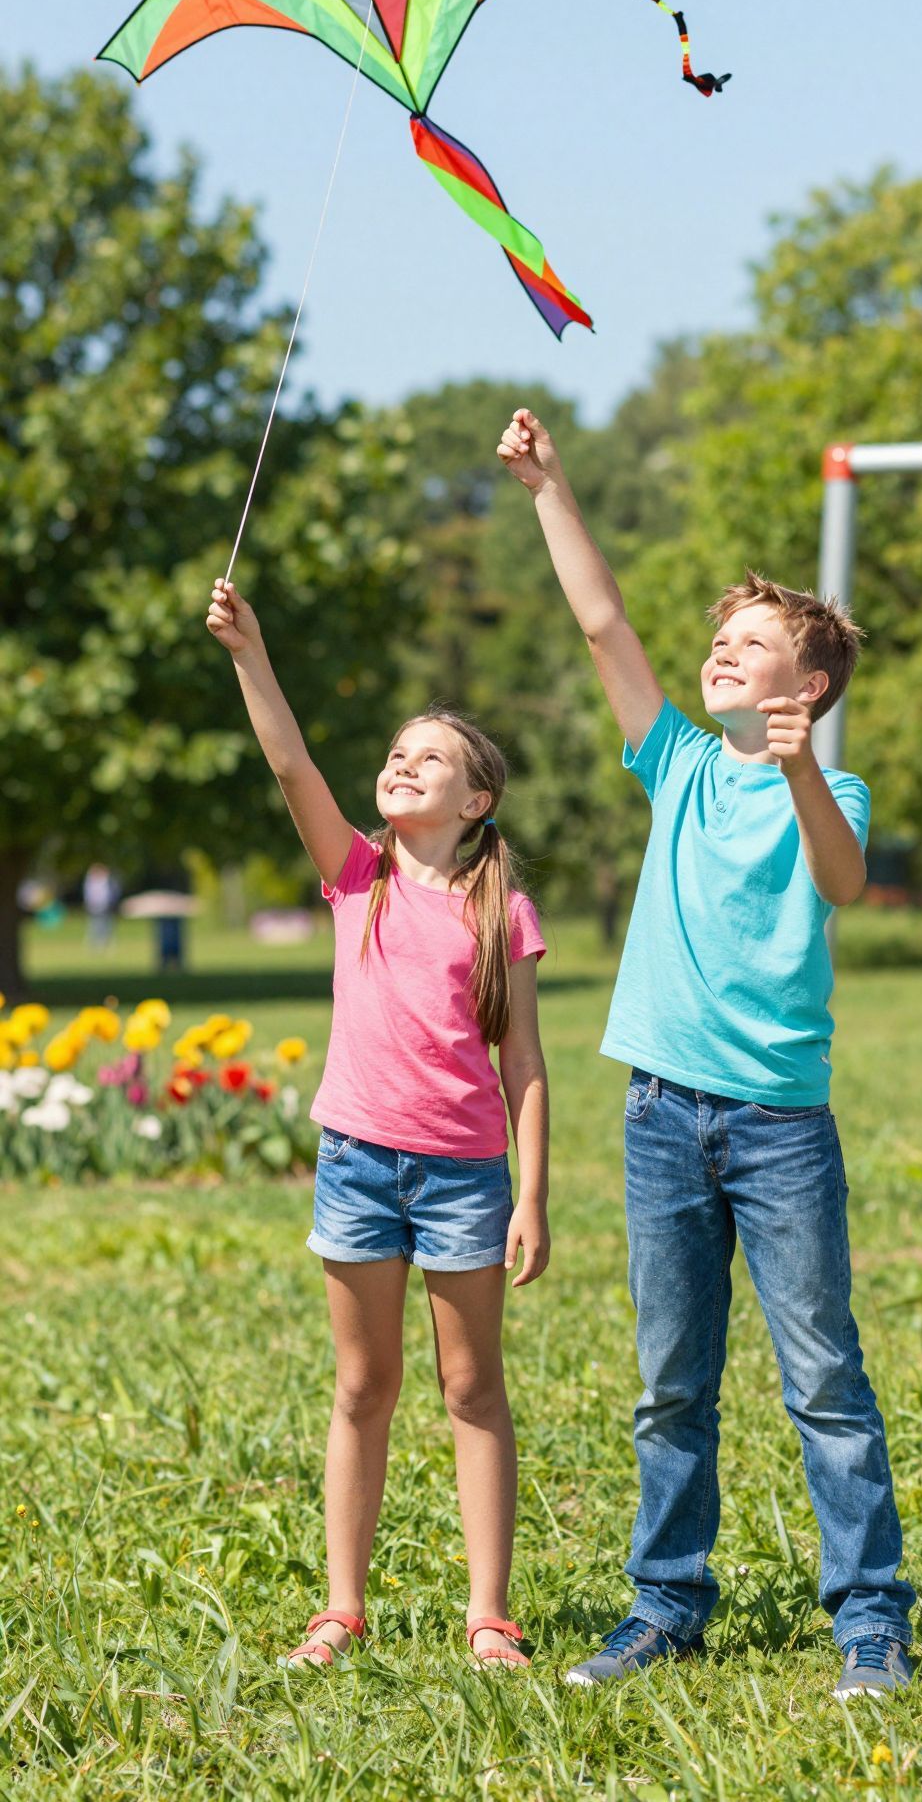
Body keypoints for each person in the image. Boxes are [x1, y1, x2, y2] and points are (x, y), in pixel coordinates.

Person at [498, 409, 915, 1701]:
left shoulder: (826, 793)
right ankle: (666, 1607)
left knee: (823, 1380)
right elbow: (604, 627)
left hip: (778, 1129)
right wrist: (551, 487)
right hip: (662, 1116)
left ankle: (869, 1622)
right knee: (671, 1382)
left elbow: (841, 884)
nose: (717, 658)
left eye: (749, 649)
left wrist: (798, 773)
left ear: (808, 689)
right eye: (717, 645)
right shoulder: (676, 764)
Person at [206, 577, 550, 1671]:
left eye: (430, 757)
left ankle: (489, 1611)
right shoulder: (356, 875)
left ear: (477, 799)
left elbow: (525, 1062)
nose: (402, 762)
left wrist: (532, 1192)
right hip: (357, 1161)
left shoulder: (503, 908)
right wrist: (251, 653)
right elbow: (290, 764)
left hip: (465, 1175)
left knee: (471, 1386)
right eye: (398, 752)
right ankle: (340, 1607)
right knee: (363, 1384)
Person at [83, 863, 120, 949]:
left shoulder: (108, 881)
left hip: (106, 906)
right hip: (94, 906)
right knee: (94, 926)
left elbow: (113, 893)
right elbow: (88, 895)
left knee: (107, 926)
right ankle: (94, 945)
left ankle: (107, 944)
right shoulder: (90, 882)